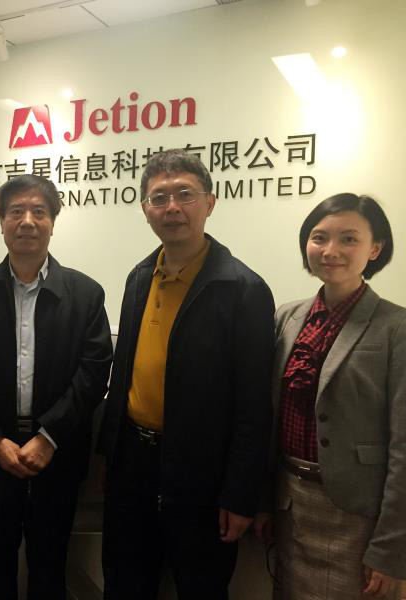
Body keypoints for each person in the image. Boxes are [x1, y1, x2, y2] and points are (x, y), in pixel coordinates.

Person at [98, 148, 275, 600]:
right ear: (145, 209)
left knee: (201, 587)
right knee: (125, 583)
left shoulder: (244, 290)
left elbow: (254, 404)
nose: (172, 207)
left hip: (203, 476)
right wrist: (111, 459)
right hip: (133, 468)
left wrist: (240, 495)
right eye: (159, 197)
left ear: (210, 203)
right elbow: (124, 374)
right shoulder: (140, 277)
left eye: (185, 194)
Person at [0, 174, 113, 600]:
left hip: (58, 454)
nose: (27, 221)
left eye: (39, 211)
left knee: (50, 564)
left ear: (53, 222)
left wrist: (49, 436)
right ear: (1, 222)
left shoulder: (86, 293)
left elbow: (94, 372)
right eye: (16, 211)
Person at [253, 194, 405, 599]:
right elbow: (270, 418)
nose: (331, 250)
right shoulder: (287, 317)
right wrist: (265, 501)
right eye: (319, 237)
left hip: (358, 516)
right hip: (291, 504)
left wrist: (391, 548)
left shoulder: (397, 327)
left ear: (376, 248)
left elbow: (403, 448)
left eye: (349, 239)